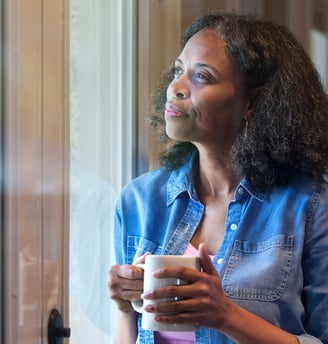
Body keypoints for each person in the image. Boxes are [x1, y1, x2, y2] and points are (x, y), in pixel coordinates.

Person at [108, 11, 328, 344]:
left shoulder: (310, 208)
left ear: (251, 103)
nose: (176, 88)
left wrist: (224, 315)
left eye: (202, 76)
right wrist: (125, 307)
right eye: (179, 70)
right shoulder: (138, 201)